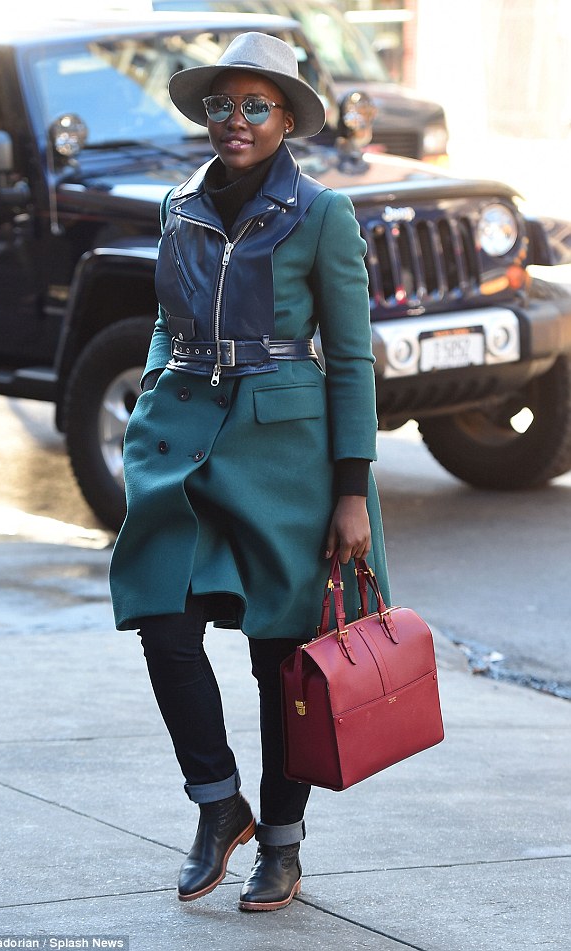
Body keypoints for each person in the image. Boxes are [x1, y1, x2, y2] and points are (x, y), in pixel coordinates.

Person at [109, 32, 390, 913]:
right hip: (184, 440)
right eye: (222, 105)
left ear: (285, 119)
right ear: (205, 112)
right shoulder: (177, 204)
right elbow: (165, 318)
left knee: (284, 658)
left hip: (287, 454)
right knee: (161, 615)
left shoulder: (322, 214)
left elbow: (350, 359)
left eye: (255, 106)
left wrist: (353, 488)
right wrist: (157, 389)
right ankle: (215, 801)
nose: (235, 121)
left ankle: (282, 844)